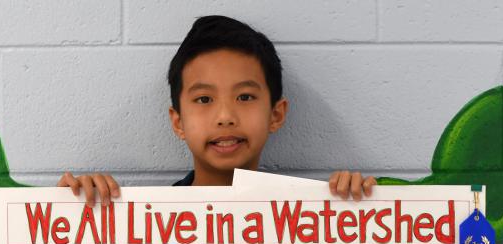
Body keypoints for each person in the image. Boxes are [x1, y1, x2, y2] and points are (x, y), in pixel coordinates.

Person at [59, 15, 375, 204]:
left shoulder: (317, 217)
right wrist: (67, 205)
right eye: (205, 100)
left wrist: (365, 206)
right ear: (178, 121)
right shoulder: (136, 220)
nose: (225, 116)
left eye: (246, 97)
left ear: (276, 114)